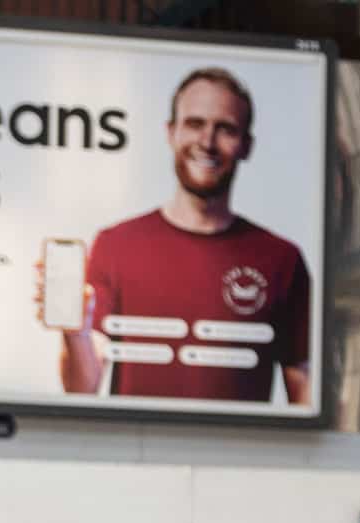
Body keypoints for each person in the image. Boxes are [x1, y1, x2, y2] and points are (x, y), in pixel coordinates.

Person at [45, 66, 312, 406]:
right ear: (170, 133)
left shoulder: (282, 259)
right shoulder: (116, 244)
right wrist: (75, 332)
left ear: (246, 145)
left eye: (225, 129)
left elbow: (304, 394)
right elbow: (81, 389)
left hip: (238, 458)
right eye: (194, 124)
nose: (207, 141)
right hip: (134, 455)